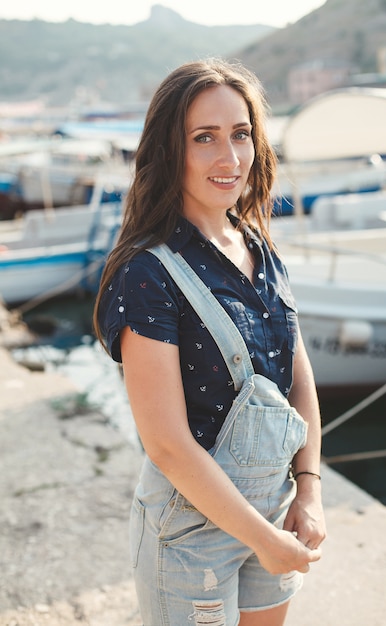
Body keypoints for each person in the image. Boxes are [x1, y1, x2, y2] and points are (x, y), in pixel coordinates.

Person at [93, 58, 326, 626]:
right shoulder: (147, 273)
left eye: (241, 134)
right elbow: (167, 444)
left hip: (273, 508)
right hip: (190, 533)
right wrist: (265, 541)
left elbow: (299, 376)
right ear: (169, 150)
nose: (230, 158)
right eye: (204, 138)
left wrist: (310, 488)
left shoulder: (257, 245)